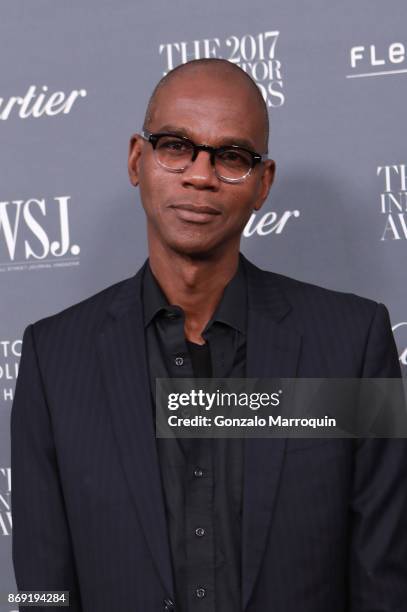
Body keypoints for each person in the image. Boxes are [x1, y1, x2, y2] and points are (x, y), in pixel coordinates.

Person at [11, 59, 407, 612]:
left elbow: (384, 581)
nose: (200, 175)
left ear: (263, 183)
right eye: (176, 145)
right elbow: (42, 594)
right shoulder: (55, 361)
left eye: (231, 157)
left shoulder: (352, 346)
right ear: (136, 159)